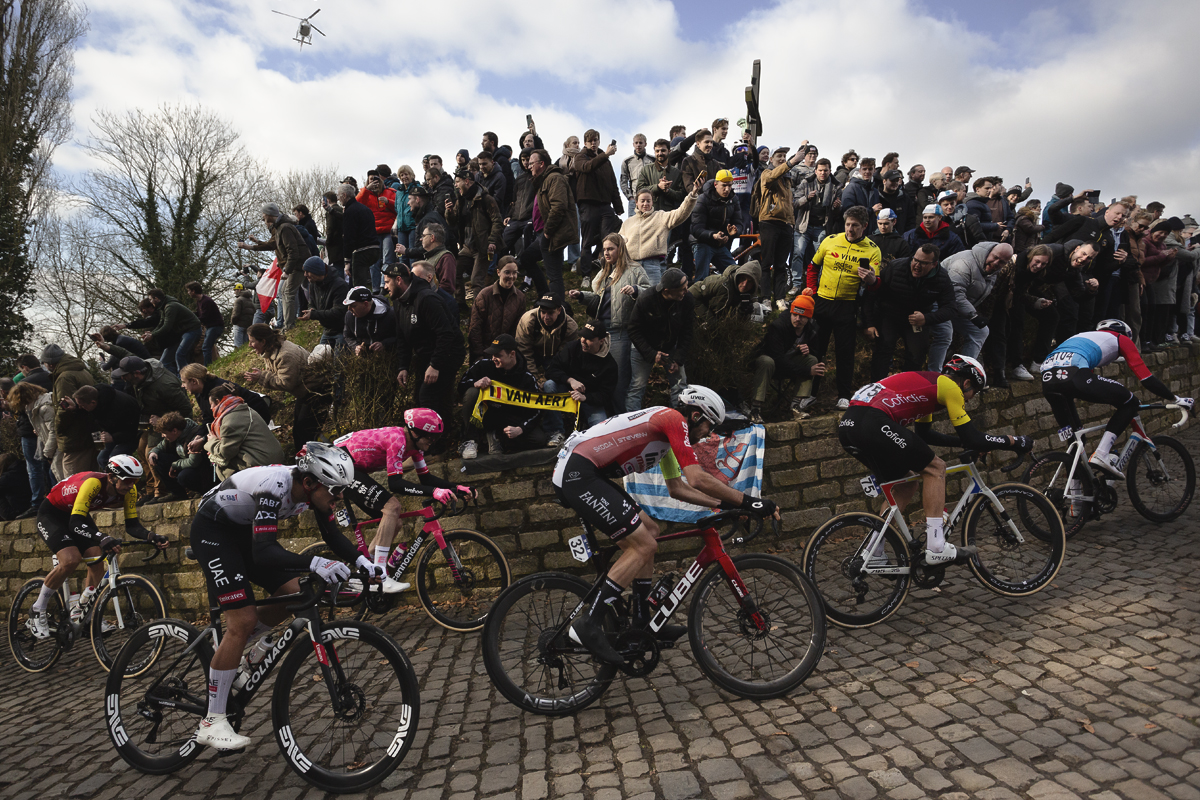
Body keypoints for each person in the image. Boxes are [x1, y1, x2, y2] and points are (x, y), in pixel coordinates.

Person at [553, 385, 777, 664]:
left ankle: (641, 620)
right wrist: (749, 501)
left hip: (586, 473)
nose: (710, 434)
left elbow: (678, 488)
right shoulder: (672, 419)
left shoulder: (667, 432)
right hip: (578, 474)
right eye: (709, 425)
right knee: (643, 546)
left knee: (651, 532)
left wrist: (725, 506)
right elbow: (697, 478)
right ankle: (589, 623)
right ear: (695, 415)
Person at [190, 444, 361, 750]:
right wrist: (315, 562)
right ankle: (211, 721)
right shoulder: (274, 488)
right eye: (336, 490)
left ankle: (246, 651)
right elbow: (265, 551)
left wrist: (364, 562)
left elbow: (333, 536)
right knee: (241, 621)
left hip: (241, 533)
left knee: (295, 593)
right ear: (309, 483)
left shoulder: (312, 492)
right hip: (213, 531)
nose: (340, 497)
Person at [838, 356, 1031, 565]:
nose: (969, 399)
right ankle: (936, 545)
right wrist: (1013, 441)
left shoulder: (928, 388)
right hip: (872, 422)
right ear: (966, 383)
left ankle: (874, 550)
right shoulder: (950, 387)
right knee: (936, 468)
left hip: (849, 426)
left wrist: (966, 444)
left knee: (906, 484)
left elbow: (926, 435)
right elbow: (973, 437)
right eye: (973, 393)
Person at [25, 457, 168, 640]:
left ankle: (85, 614)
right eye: (127, 480)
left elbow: (132, 525)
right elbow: (75, 523)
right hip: (52, 514)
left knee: (96, 558)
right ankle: (37, 609)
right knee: (71, 559)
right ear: (111, 477)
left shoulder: (129, 491)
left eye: (135, 481)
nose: (131, 486)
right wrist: (102, 537)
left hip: (77, 515)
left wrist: (152, 536)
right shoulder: (93, 484)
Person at [333, 411, 476, 593]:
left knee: (395, 522)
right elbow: (396, 484)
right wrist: (435, 492)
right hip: (339, 464)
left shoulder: (415, 448)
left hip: (349, 466)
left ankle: (364, 574)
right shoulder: (397, 439)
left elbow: (426, 479)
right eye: (430, 437)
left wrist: (458, 488)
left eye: (436, 438)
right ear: (415, 432)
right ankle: (380, 574)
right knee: (392, 506)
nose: (432, 442)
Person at [1041, 320, 1193, 479]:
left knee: (1076, 438)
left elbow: (1095, 387)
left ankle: (1076, 497)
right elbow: (1146, 378)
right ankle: (1101, 454)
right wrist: (1175, 399)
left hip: (1047, 382)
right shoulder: (1120, 338)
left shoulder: (1081, 338)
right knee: (1131, 402)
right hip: (1074, 375)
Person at [802, 206, 883, 409]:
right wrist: (812, 289)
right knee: (815, 349)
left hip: (847, 305)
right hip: (822, 301)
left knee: (845, 352)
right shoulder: (830, 240)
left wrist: (872, 279)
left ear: (864, 226)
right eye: (848, 225)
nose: (850, 229)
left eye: (855, 226)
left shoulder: (872, 249)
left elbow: (876, 283)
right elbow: (812, 267)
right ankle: (809, 393)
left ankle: (844, 395)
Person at [570, 233, 651, 415]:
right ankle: (607, 419)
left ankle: (622, 420)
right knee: (602, 379)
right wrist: (581, 296)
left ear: (620, 249)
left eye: (610, 249)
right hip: (601, 333)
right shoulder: (604, 272)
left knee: (620, 381)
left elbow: (650, 292)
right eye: (604, 249)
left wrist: (635, 290)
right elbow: (599, 299)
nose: (606, 253)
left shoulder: (635, 269)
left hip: (621, 332)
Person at [865, 244, 956, 380]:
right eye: (915, 260)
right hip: (889, 314)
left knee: (917, 353)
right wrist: (869, 323)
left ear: (933, 264)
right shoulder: (896, 267)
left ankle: (906, 389)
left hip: (917, 318)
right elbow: (872, 294)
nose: (917, 265)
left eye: (923, 263)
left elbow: (950, 308)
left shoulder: (941, 278)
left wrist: (927, 318)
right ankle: (876, 387)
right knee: (884, 348)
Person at [457, 334, 548, 458]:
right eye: (492, 355)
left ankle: (496, 438)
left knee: (538, 439)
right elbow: (460, 386)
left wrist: (521, 429)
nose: (494, 358)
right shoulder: (483, 365)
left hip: (509, 418)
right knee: (472, 392)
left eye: (498, 355)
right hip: (485, 413)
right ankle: (470, 440)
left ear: (512, 354)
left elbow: (536, 409)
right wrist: (475, 383)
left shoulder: (527, 378)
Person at [242, 323, 327, 456]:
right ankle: (302, 460)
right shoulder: (271, 350)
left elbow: (286, 383)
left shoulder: (285, 355)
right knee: (298, 431)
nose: (249, 345)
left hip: (316, 391)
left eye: (252, 341)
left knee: (305, 430)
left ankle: (311, 461)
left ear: (263, 341)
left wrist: (262, 376)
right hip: (305, 392)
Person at [928, 242, 1014, 369]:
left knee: (980, 332)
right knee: (945, 334)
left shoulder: (992, 270)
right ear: (988, 252)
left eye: (1002, 262)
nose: (996, 263)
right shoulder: (964, 263)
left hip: (956, 307)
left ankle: (964, 371)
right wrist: (973, 316)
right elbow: (955, 294)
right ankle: (934, 374)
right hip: (936, 302)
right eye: (995, 257)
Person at [748, 294, 826, 423]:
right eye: (795, 314)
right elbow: (777, 358)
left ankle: (796, 406)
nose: (797, 319)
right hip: (770, 364)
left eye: (802, 316)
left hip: (790, 363)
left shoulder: (813, 330)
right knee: (766, 361)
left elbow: (818, 353)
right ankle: (755, 409)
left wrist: (808, 350)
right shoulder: (778, 326)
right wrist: (807, 371)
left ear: (808, 317)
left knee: (811, 360)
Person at [627, 267, 695, 411]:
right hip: (643, 347)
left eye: (686, 287)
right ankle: (632, 424)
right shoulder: (646, 299)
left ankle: (678, 420)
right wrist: (651, 354)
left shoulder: (687, 299)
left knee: (680, 385)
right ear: (667, 291)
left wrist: (678, 358)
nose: (686, 291)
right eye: (682, 289)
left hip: (671, 347)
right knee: (637, 387)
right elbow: (633, 329)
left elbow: (687, 331)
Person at [237, 204, 309, 331]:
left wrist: (287, 270)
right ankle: (290, 323)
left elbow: (293, 251)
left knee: (288, 292)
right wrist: (249, 246)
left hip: (296, 265)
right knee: (288, 291)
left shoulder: (284, 228)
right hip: (294, 265)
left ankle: (289, 325)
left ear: (270, 214)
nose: (263, 217)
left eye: (264, 215)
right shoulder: (279, 227)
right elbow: (271, 245)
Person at [542, 319, 618, 438]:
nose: (583, 341)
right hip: (566, 391)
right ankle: (556, 432)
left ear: (601, 341)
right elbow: (551, 370)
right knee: (549, 385)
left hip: (589, 400)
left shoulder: (609, 365)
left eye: (589, 339)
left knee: (602, 429)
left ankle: (587, 437)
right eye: (582, 336)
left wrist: (585, 397)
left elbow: (606, 395)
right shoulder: (572, 347)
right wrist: (570, 380)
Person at [519, 149, 577, 300]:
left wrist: (547, 232)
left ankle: (558, 309)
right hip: (542, 234)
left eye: (531, 163)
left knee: (554, 276)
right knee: (526, 259)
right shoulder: (542, 181)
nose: (529, 166)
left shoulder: (555, 178)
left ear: (541, 163)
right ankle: (544, 297)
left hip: (552, 234)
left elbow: (559, 207)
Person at [621, 177, 700, 284]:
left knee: (653, 297)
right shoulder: (627, 223)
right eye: (642, 201)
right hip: (630, 266)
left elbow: (681, 213)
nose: (645, 204)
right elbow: (619, 242)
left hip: (653, 265)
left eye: (648, 201)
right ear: (636, 203)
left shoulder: (661, 217)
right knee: (630, 297)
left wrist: (693, 195)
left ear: (652, 202)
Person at [202, 384, 284, 480]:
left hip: (262, 462)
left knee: (222, 465)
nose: (211, 408)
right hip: (270, 457)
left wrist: (211, 441)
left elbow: (225, 453)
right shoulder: (242, 408)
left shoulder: (230, 421)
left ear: (217, 401)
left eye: (210, 404)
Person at [447, 166, 503, 303]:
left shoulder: (486, 199)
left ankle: (479, 310)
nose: (455, 185)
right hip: (467, 246)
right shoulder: (460, 200)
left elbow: (498, 221)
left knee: (476, 281)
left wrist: (492, 241)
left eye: (457, 181)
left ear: (467, 181)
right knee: (455, 273)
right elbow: (452, 222)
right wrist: (448, 212)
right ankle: (460, 305)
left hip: (482, 246)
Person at [42, 343, 97, 478]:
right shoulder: (82, 371)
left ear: (49, 364)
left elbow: (64, 408)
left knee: (73, 481)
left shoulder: (64, 377)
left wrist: (58, 429)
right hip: (88, 431)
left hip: (74, 437)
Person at [572, 130, 624, 274]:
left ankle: (606, 270)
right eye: (590, 141)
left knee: (609, 239)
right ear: (585, 143)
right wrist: (605, 155)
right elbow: (587, 167)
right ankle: (585, 274)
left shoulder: (605, 161)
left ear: (599, 141)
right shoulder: (580, 156)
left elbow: (613, 184)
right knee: (587, 241)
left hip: (605, 205)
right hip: (588, 204)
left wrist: (618, 206)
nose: (593, 143)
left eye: (595, 140)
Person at [6, 381, 56, 517]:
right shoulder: (39, 403)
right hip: (39, 436)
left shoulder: (41, 407)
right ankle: (52, 499)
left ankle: (40, 502)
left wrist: (47, 453)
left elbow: (53, 430)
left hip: (36, 438)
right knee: (48, 469)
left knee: (37, 469)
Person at [516, 294, 580, 388]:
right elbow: (524, 350)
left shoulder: (570, 327)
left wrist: (551, 375)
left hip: (554, 355)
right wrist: (534, 378)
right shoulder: (528, 320)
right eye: (543, 312)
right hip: (533, 352)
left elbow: (564, 357)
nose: (546, 317)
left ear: (559, 311)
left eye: (550, 313)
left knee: (552, 384)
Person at [468, 256, 525, 363]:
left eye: (515, 272)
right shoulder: (485, 295)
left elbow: (517, 329)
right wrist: (479, 355)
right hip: (484, 351)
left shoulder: (520, 297)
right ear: (498, 272)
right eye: (507, 272)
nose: (511, 276)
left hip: (505, 354)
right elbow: (475, 328)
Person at [148, 412, 215, 498]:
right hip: (186, 463)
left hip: (201, 469)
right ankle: (177, 494)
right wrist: (153, 453)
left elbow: (193, 462)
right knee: (160, 458)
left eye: (164, 433)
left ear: (174, 431)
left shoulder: (194, 435)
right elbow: (160, 446)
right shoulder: (174, 435)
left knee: (184, 476)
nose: (163, 436)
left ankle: (203, 491)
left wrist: (174, 465)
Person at [691, 170, 743, 281]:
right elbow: (695, 229)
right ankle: (698, 296)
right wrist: (713, 235)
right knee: (702, 279)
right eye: (724, 185)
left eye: (729, 185)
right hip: (702, 242)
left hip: (720, 245)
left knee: (736, 275)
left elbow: (739, 223)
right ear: (715, 184)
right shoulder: (702, 199)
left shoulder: (734, 200)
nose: (727, 189)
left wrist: (735, 231)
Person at [71, 384, 140, 469]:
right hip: (112, 432)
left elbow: (132, 430)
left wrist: (113, 438)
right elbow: (87, 410)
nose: (80, 408)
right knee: (101, 459)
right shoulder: (95, 399)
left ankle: (120, 480)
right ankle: (110, 479)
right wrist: (74, 407)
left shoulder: (121, 406)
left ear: (93, 403)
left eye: (82, 406)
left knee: (114, 460)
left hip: (129, 434)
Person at [142, 289, 203, 375]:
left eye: (151, 299)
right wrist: (152, 333)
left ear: (156, 298)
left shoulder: (170, 307)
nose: (150, 301)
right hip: (182, 333)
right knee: (164, 362)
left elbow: (167, 326)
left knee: (180, 355)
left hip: (192, 330)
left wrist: (153, 335)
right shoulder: (163, 307)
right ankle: (178, 380)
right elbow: (161, 323)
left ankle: (186, 378)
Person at [297, 255, 350, 347]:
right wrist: (311, 310)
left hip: (342, 330)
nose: (305, 275)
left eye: (307, 271)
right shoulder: (313, 284)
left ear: (317, 271)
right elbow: (311, 303)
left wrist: (313, 314)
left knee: (339, 361)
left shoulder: (340, 285)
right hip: (327, 330)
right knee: (318, 359)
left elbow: (339, 312)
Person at [342, 285, 398, 355]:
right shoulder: (350, 315)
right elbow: (347, 335)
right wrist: (355, 346)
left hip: (388, 357)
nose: (349, 309)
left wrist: (384, 344)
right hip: (361, 360)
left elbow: (401, 337)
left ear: (365, 304)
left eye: (353, 305)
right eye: (348, 305)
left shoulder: (390, 315)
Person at [185, 281, 225, 365]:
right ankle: (209, 365)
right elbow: (199, 314)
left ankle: (208, 366)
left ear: (193, 291)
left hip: (215, 326)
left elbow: (203, 317)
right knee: (206, 346)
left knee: (206, 347)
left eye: (188, 291)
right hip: (210, 327)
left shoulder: (206, 301)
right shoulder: (200, 301)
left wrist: (192, 321)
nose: (188, 293)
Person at [620, 134, 654, 217]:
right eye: (636, 143)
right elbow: (623, 181)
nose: (638, 145)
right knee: (633, 226)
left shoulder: (652, 160)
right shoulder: (627, 161)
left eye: (640, 143)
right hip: (634, 199)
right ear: (633, 144)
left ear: (645, 144)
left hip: (650, 200)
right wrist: (630, 197)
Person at [230, 283, 257, 348]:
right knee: (246, 345)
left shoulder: (238, 300)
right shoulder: (251, 299)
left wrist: (233, 322)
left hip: (239, 324)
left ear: (239, 290)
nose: (234, 292)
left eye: (235, 290)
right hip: (248, 324)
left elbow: (235, 313)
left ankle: (238, 357)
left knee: (238, 345)